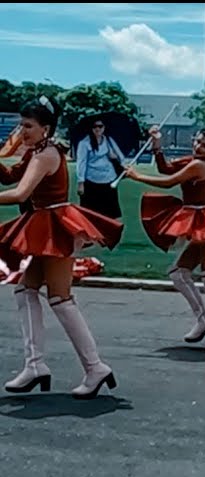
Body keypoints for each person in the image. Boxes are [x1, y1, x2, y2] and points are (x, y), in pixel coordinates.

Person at [1, 97, 123, 398]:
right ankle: (35, 365)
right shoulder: (40, 151)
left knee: (60, 298)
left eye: (28, 126)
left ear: (46, 128)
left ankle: (95, 368)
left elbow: (20, 193)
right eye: (21, 125)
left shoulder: (45, 155)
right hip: (46, 225)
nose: (22, 131)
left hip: (55, 227)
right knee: (26, 290)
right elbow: (11, 176)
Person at [123, 125, 205, 353]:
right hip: (199, 221)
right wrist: (157, 144)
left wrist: (137, 176)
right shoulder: (193, 161)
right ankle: (204, 319)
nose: (198, 146)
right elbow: (165, 168)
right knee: (178, 273)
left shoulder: (199, 165)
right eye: (197, 141)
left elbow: (169, 182)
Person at [74, 117, 125, 219]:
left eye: (100, 126)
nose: (98, 129)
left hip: (109, 180)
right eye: (95, 127)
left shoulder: (109, 140)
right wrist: (81, 183)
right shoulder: (84, 143)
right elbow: (81, 163)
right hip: (92, 181)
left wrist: (116, 158)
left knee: (110, 214)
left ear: (104, 128)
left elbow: (121, 157)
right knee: (91, 214)